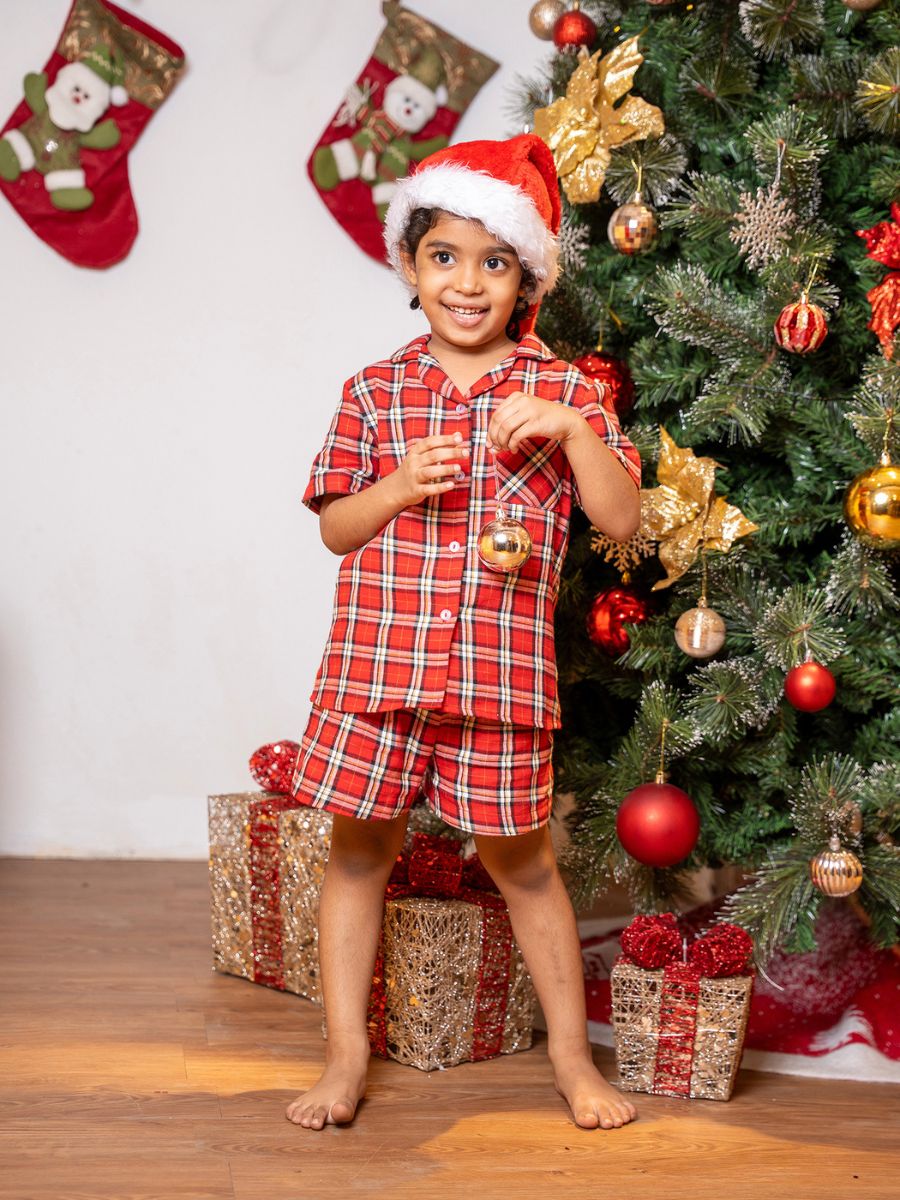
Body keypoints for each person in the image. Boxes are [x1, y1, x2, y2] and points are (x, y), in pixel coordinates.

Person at [286, 135, 641, 1133]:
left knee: (524, 867)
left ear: (526, 278)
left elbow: (621, 521)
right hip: (378, 674)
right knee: (359, 858)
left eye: (494, 262)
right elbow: (335, 529)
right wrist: (399, 487)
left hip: (498, 680)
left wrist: (575, 433)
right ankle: (345, 1055)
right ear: (412, 266)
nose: (468, 283)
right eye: (445, 257)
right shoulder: (373, 391)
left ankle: (571, 1060)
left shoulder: (566, 393)